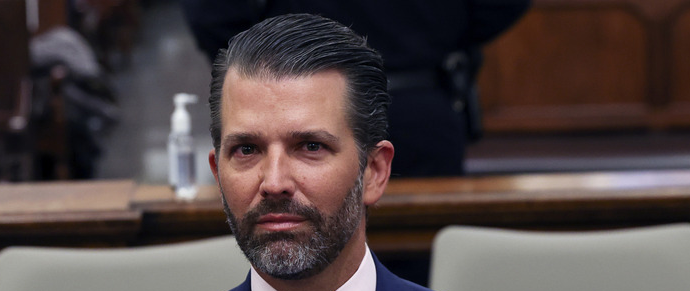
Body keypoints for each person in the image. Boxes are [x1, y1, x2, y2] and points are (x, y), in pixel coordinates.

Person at [78, 13, 576, 291]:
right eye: (246, 150)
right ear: (217, 171)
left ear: (374, 172)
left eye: (310, 147)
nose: (273, 181)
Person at [181, 0, 530, 177]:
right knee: (420, 279)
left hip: (297, 105)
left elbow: (212, 16)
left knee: (297, 264)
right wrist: (438, 36)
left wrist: (271, 58)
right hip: (418, 101)